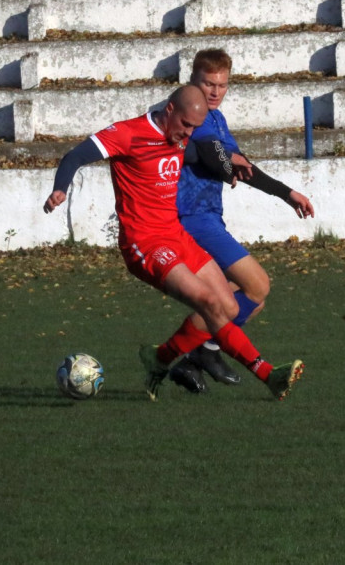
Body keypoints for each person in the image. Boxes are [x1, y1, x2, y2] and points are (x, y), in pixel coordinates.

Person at [43, 85, 304, 401]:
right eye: (185, 125)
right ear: (169, 110)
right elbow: (76, 155)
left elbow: (203, 154)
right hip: (145, 244)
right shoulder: (128, 134)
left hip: (176, 235)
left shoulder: (182, 138)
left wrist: (233, 162)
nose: (188, 133)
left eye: (195, 128)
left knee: (230, 306)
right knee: (209, 303)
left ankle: (160, 359)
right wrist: (60, 188)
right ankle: (268, 374)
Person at [168, 49, 315, 393]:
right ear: (193, 80)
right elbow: (209, 153)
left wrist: (285, 192)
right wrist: (227, 162)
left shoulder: (216, 118)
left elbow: (238, 163)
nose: (215, 92)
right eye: (208, 83)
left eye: (222, 85)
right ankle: (198, 352)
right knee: (258, 285)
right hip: (190, 220)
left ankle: (187, 358)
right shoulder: (189, 115)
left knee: (251, 301)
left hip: (209, 219)